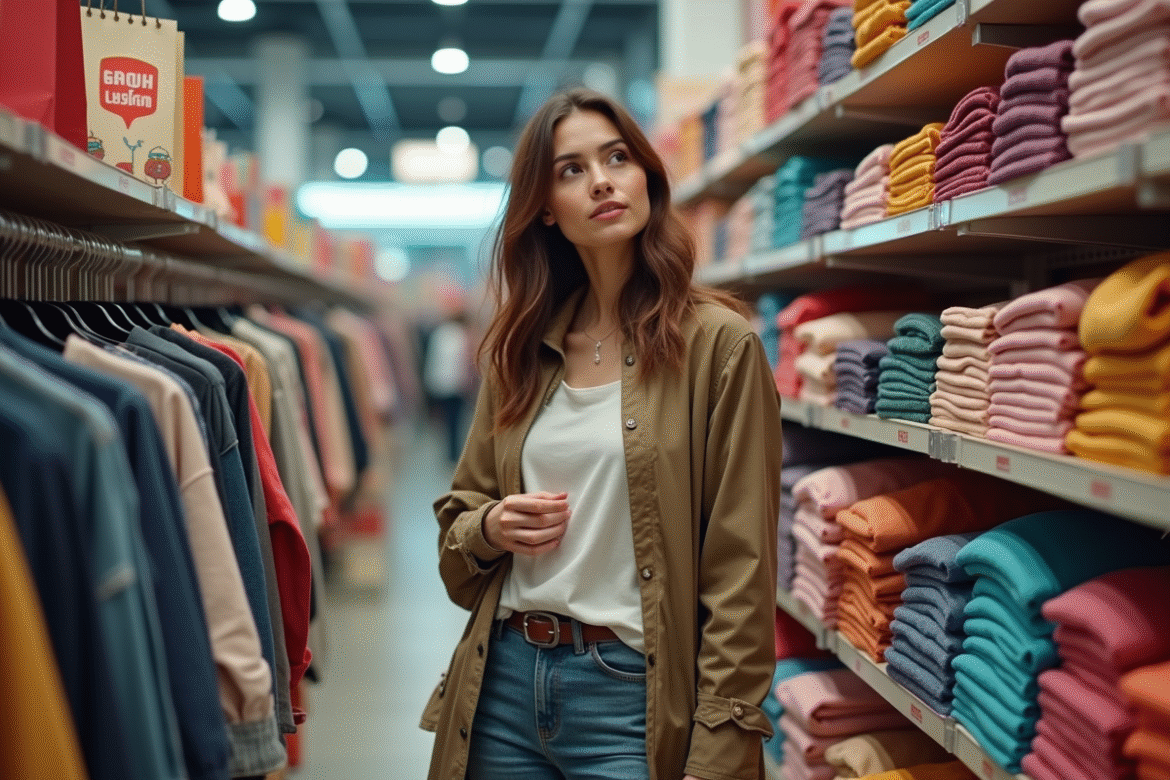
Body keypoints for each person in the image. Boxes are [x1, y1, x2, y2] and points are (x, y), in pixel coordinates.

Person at [421, 87, 783, 780]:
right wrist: (492, 525)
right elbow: (456, 535)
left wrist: (719, 742)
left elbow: (741, 569)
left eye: (617, 158)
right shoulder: (520, 352)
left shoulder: (719, 346)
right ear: (546, 211)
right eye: (571, 169)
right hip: (503, 682)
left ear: (647, 175)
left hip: (631, 698)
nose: (603, 181)